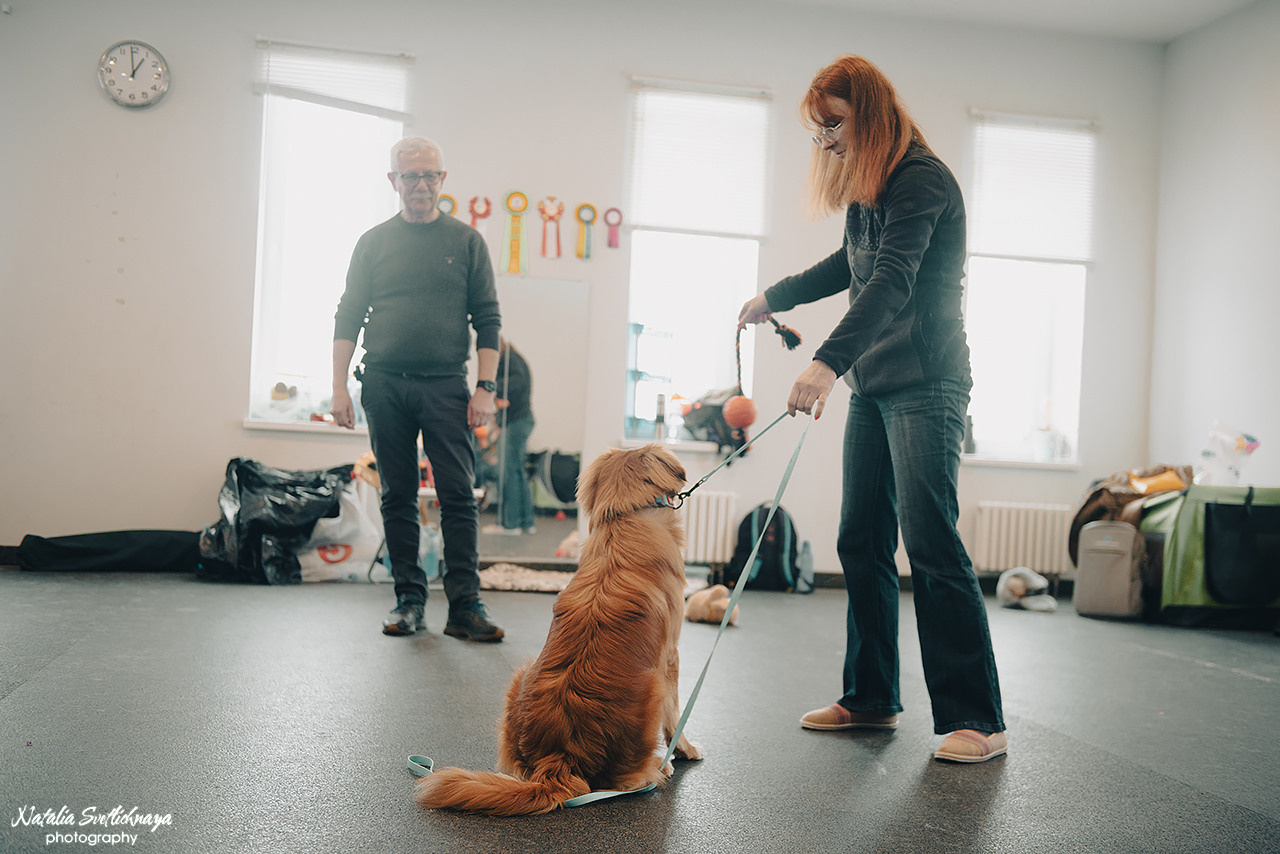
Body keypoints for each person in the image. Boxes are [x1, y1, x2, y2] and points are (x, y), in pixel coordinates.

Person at [738, 56, 1006, 762]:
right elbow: (849, 263)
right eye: (818, 128)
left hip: (928, 383)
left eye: (833, 123)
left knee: (930, 539)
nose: (825, 140)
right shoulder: (870, 187)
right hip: (876, 386)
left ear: (870, 111)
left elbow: (889, 282)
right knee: (860, 538)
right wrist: (777, 295)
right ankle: (871, 698)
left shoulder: (921, 181)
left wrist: (825, 363)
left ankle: (977, 718)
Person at [331, 137, 504, 642]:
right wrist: (338, 386)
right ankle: (409, 601)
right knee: (398, 495)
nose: (421, 185)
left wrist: (485, 389)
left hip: (447, 386)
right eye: (410, 176)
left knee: (457, 497)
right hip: (384, 384)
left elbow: (488, 320)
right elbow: (348, 314)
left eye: (430, 175)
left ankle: (465, 606)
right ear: (393, 182)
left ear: (443, 181)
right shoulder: (373, 243)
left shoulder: (467, 242)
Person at [480, 338, 537, 535]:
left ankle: (508, 524)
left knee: (508, 472)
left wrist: (493, 386)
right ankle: (526, 522)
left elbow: (517, 384)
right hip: (521, 420)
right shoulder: (514, 359)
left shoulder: (508, 360)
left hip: (517, 422)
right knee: (517, 472)